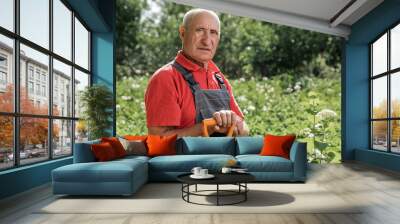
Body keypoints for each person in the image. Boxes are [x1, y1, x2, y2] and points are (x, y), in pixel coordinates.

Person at [145, 8, 250, 137]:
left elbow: (244, 127)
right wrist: (205, 128)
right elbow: (158, 140)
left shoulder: (219, 78)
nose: (206, 41)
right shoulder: (166, 78)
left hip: (223, 157)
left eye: (213, 32)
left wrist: (234, 126)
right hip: (187, 158)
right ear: (183, 33)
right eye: (200, 30)